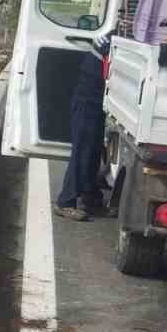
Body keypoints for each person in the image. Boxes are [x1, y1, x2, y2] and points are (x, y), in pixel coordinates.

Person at [55, 33, 111, 222]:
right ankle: (65, 202)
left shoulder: (113, 37)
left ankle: (91, 199)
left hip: (96, 98)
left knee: (93, 150)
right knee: (83, 150)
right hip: (88, 99)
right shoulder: (114, 42)